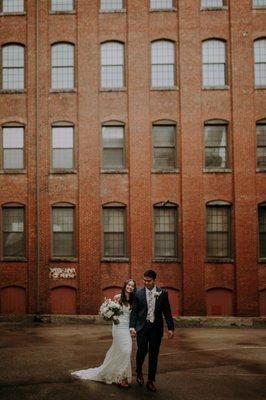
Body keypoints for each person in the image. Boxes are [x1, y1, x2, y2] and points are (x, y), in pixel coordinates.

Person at [71, 279, 136, 388]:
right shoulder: (118, 297)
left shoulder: (134, 300)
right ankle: (121, 378)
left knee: (125, 351)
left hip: (127, 327)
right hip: (118, 327)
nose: (130, 287)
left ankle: (121, 375)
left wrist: (133, 328)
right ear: (125, 286)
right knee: (124, 350)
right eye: (129, 285)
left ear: (134, 288)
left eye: (132, 286)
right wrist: (111, 316)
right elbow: (111, 311)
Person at [129, 270, 174, 392]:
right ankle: (138, 371)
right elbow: (134, 312)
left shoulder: (162, 293)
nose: (146, 282)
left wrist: (170, 328)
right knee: (142, 351)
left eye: (148, 281)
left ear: (154, 281)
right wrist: (132, 327)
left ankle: (151, 381)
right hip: (142, 328)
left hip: (156, 329)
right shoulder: (138, 293)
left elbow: (167, 311)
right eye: (144, 280)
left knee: (154, 354)